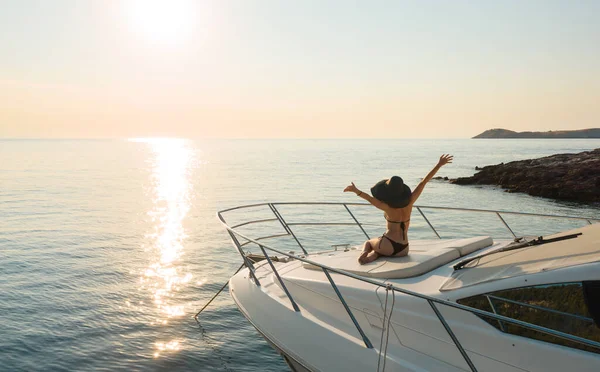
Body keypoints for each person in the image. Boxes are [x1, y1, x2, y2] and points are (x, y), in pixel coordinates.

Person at [344, 154, 453, 264]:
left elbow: (369, 198)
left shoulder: (387, 207)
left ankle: (365, 254)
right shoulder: (410, 201)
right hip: (404, 249)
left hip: (388, 244)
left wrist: (355, 190)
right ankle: (374, 256)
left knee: (369, 243)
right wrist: (439, 165)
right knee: (380, 250)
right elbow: (423, 182)